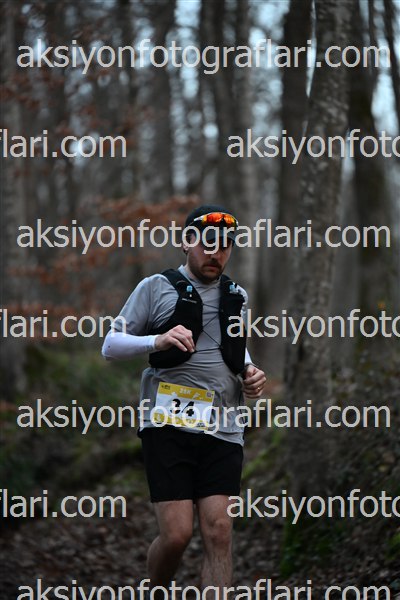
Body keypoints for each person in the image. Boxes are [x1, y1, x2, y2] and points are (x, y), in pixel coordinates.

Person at [102, 204, 266, 593]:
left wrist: (250, 370)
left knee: (220, 531)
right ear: (186, 242)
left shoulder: (236, 295)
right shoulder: (155, 287)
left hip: (224, 424)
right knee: (177, 535)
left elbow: (232, 345)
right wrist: (155, 340)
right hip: (168, 423)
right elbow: (110, 345)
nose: (216, 252)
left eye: (225, 245)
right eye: (208, 242)